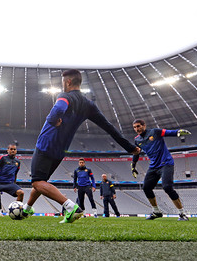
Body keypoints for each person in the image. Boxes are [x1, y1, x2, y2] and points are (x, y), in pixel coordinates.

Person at [22, 69, 140, 224]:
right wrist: (129, 147)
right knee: (42, 181)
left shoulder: (65, 97)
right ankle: (27, 208)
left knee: (37, 182)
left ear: (68, 82)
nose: (62, 85)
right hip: (60, 149)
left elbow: (58, 109)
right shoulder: (89, 105)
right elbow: (109, 127)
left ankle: (70, 206)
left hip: (46, 144)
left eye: (63, 82)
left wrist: (53, 119)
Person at [131, 119, 191, 221]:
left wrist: (178, 132)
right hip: (154, 166)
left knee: (167, 187)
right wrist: (133, 166)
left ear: (144, 125)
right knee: (146, 187)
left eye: (138, 126)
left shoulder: (154, 132)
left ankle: (182, 214)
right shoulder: (137, 140)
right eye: (135, 127)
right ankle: (156, 212)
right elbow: (136, 153)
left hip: (166, 163)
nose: (137, 129)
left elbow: (167, 132)